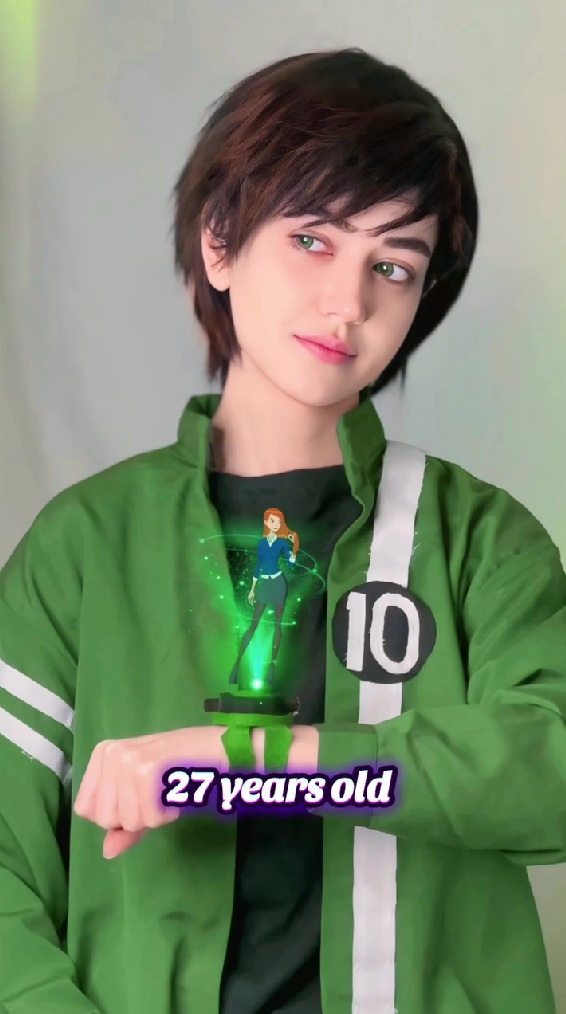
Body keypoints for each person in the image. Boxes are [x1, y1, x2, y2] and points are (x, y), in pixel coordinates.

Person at [0, 45, 565, 1014]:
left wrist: (255, 764)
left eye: (392, 265)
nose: (349, 304)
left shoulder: (482, 543)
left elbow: (547, 769)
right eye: (311, 239)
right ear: (219, 241)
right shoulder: (83, 547)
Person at [229, 508, 299, 685]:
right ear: (266, 522)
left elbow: (291, 565)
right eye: (272, 521)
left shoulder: (282, 543)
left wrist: (294, 550)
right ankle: (237, 663)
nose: (276, 524)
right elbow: (258, 566)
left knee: (277, 624)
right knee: (254, 624)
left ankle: (272, 666)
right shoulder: (261, 543)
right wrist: (252, 589)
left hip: (278, 583)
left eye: (278, 522)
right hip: (264, 584)